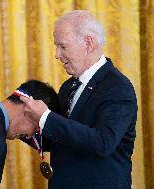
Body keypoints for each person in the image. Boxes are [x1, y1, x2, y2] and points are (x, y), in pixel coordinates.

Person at [20, 10, 138, 189]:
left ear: (88, 43)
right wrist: (21, 124)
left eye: (63, 46)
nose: (57, 54)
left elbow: (102, 142)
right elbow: (63, 138)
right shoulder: (69, 86)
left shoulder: (117, 88)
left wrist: (45, 117)